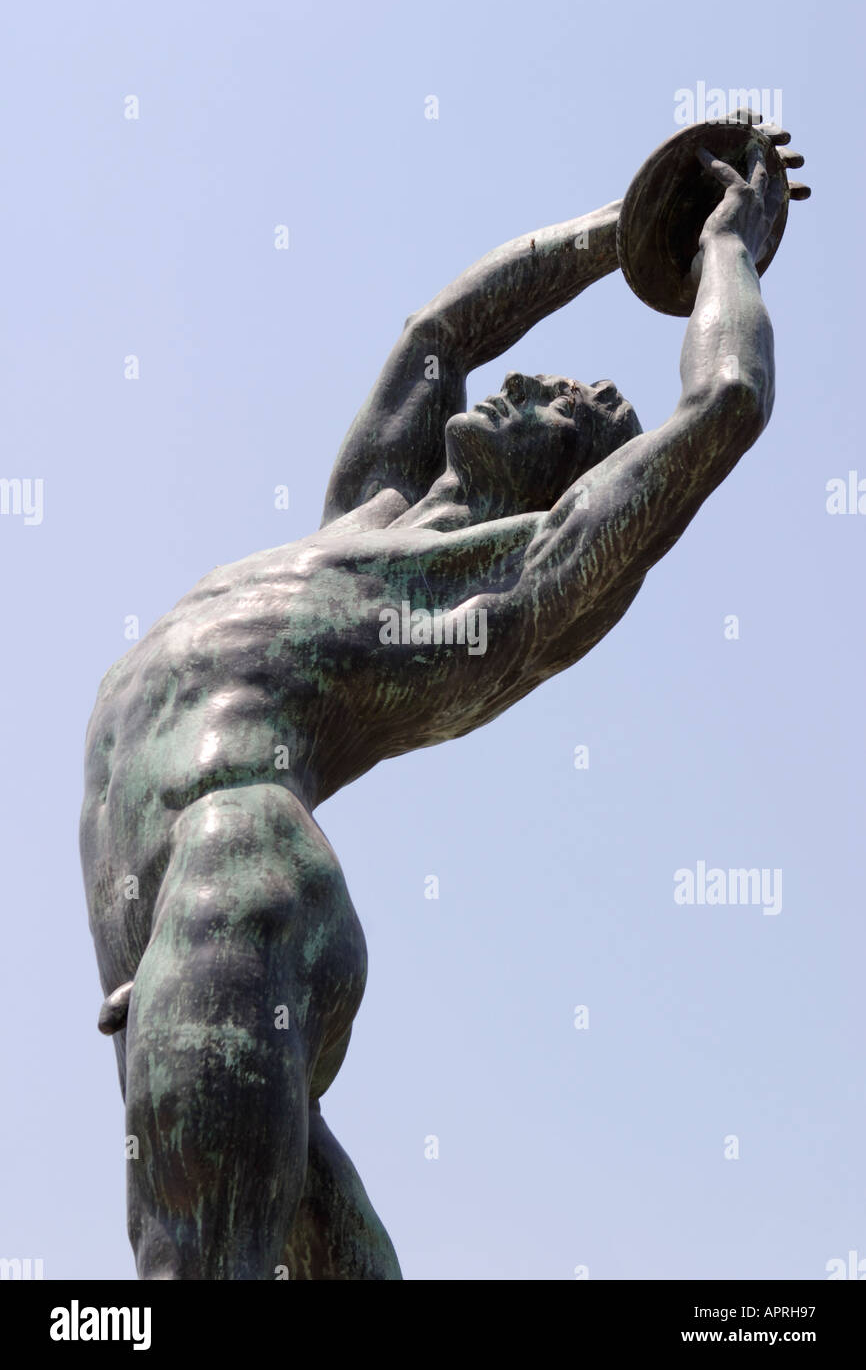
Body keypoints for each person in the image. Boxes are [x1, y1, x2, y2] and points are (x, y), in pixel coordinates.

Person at [80, 126, 806, 1279]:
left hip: (238, 879)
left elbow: (723, 401)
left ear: (571, 474)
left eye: (574, 403)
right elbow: (441, 333)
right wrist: (626, 234)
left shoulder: (510, 579)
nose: (538, 380)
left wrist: (728, 248)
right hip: (171, 946)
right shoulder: (364, 513)